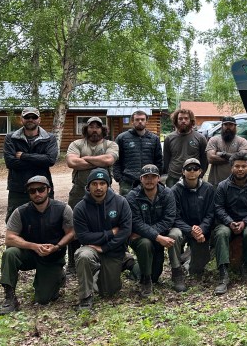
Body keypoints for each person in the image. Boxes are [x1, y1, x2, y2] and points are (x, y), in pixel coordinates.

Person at [0, 176, 74, 314]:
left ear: (48, 190)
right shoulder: (20, 211)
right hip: (29, 254)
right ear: (28, 193)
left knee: (43, 299)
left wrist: (56, 246)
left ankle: (58, 276)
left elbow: (71, 233)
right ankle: (9, 297)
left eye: (41, 189)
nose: (37, 193)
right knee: (10, 253)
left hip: (53, 256)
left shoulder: (63, 209)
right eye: (32, 191)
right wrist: (33, 246)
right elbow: (9, 239)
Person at [66, 116, 119, 273]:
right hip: (78, 190)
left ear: (103, 129)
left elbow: (109, 159)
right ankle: (72, 263)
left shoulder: (110, 144)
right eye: (91, 127)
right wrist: (98, 161)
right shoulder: (76, 144)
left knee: (108, 222)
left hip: (105, 191)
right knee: (73, 224)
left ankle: (108, 256)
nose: (94, 129)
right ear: (86, 129)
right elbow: (71, 162)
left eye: (97, 127)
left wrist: (86, 158)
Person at [73, 168, 132, 310]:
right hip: (91, 248)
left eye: (102, 183)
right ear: (88, 186)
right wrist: (110, 233)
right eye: (94, 184)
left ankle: (124, 261)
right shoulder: (80, 207)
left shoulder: (121, 202)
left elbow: (125, 231)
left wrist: (105, 247)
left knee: (108, 292)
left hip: (113, 249)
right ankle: (86, 297)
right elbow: (83, 236)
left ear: (108, 185)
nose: (98, 187)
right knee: (83, 256)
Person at [212, 152, 247, 295]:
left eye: (243, 166)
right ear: (231, 168)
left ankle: (246, 265)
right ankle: (223, 274)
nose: (240, 169)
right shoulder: (223, 186)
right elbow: (218, 207)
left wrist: (245, 221)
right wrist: (230, 222)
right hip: (227, 221)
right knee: (221, 233)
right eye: (237, 166)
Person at [126, 164, 182, 296]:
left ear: (159, 179)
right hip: (141, 238)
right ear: (141, 179)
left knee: (156, 276)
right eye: (146, 177)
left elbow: (169, 219)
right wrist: (157, 237)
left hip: (159, 235)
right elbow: (136, 222)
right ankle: (145, 280)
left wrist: (154, 235)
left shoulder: (167, 193)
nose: (149, 180)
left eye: (153, 177)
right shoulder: (132, 196)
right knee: (146, 243)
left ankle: (177, 272)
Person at [3, 106, 59, 221]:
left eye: (34, 117)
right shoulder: (11, 138)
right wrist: (39, 161)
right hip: (18, 188)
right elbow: (10, 163)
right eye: (27, 117)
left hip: (43, 187)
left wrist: (24, 156)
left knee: (47, 219)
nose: (30, 119)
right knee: (14, 220)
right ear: (21, 119)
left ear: (39, 119)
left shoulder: (49, 138)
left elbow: (50, 160)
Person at [171, 158, 216, 283]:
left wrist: (201, 229)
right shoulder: (175, 191)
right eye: (188, 169)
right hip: (183, 229)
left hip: (201, 230)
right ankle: (176, 269)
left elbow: (211, 213)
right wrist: (191, 230)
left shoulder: (208, 189)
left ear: (200, 171)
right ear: (183, 172)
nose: (192, 171)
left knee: (196, 269)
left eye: (195, 169)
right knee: (173, 236)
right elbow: (174, 217)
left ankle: (187, 258)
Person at [115, 110, 164, 195]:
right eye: (137, 120)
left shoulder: (154, 139)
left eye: (142, 119)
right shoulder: (122, 138)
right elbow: (116, 160)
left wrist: (156, 176)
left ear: (146, 121)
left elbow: (159, 160)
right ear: (132, 122)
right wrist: (119, 178)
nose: (140, 122)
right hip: (128, 181)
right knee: (126, 206)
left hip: (149, 179)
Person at [163, 108, 208, 187]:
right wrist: (169, 173)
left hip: (193, 176)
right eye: (180, 118)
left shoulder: (200, 138)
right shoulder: (169, 138)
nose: (183, 121)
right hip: (173, 177)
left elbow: (204, 159)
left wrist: (200, 174)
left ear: (191, 120)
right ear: (176, 121)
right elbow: (166, 159)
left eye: (186, 118)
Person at [206, 115, 247, 186]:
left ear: (235, 126)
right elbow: (211, 158)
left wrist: (222, 154)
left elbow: (242, 158)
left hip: (236, 184)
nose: (228, 127)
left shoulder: (242, 141)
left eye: (231, 125)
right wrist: (234, 158)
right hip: (216, 183)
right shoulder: (214, 140)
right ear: (222, 126)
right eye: (225, 124)